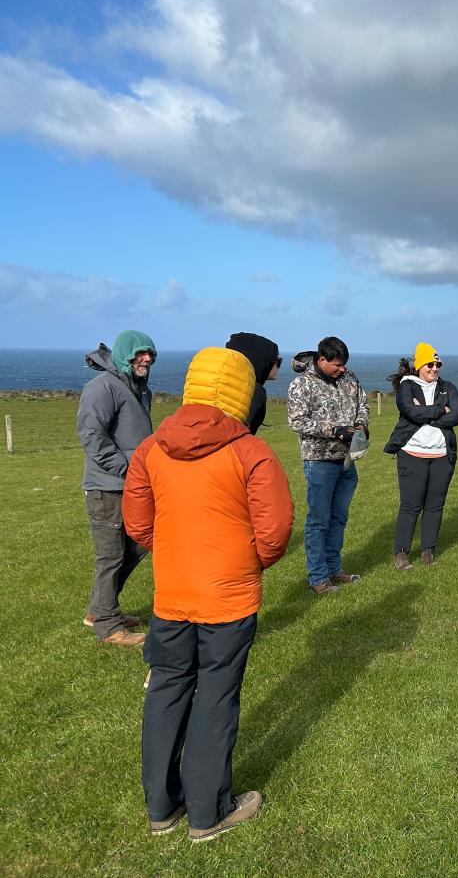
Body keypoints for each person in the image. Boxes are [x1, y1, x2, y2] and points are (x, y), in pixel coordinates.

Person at [124, 346, 293, 842]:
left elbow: (138, 523)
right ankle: (207, 810)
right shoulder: (250, 451)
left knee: (167, 689)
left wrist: (174, 553)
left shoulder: (151, 447)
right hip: (227, 597)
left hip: (172, 594)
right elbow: (275, 531)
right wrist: (244, 563)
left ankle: (162, 805)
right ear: (245, 391)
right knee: (216, 695)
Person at [77, 330, 157, 645]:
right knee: (110, 555)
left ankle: (100, 608)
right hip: (106, 487)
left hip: (132, 485)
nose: (146, 358)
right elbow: (92, 435)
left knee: (140, 543)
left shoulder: (138, 387)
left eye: (150, 353)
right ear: (125, 355)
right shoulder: (102, 387)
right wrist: (128, 468)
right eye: (139, 353)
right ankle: (109, 628)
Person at [286, 336, 369, 594]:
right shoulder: (301, 385)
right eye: (337, 364)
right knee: (318, 521)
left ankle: (335, 569)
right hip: (319, 461)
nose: (342, 369)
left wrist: (360, 426)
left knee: (339, 519)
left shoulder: (350, 377)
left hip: (347, 460)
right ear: (321, 360)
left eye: (344, 364)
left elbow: (362, 405)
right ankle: (318, 579)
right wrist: (335, 430)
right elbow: (297, 422)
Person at [384, 343, 458, 569]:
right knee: (410, 505)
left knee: (435, 505)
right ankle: (401, 554)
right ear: (420, 365)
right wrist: (441, 409)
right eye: (430, 364)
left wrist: (425, 413)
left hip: (442, 456)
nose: (435, 368)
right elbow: (409, 411)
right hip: (412, 454)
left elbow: (457, 415)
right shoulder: (407, 386)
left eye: (438, 364)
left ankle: (428, 551)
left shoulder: (447, 386)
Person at [225, 332, 281, 436]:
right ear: (261, 362)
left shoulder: (225, 384)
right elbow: (241, 437)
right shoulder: (253, 391)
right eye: (276, 360)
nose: (278, 366)